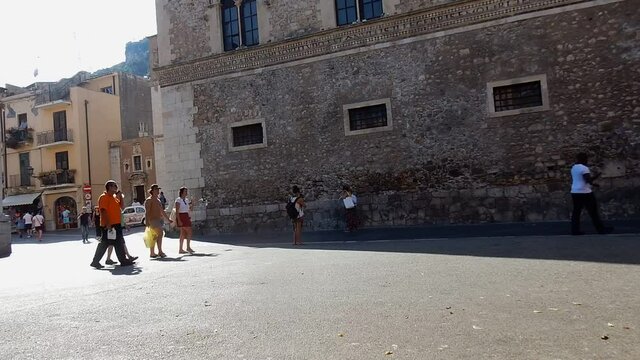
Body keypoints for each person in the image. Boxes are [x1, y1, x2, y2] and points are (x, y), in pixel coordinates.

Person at [90, 180, 136, 269]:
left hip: (117, 224)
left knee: (118, 243)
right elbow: (103, 211)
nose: (116, 187)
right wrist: (108, 224)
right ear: (109, 187)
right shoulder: (104, 197)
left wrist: (121, 196)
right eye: (114, 186)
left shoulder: (114, 197)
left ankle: (123, 260)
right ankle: (95, 261)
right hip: (109, 225)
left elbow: (122, 207)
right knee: (105, 243)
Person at [570, 153, 614, 235]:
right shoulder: (584, 168)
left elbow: (580, 179)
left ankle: (575, 230)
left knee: (576, 212)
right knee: (593, 212)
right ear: (584, 159)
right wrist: (597, 176)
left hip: (575, 191)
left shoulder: (573, 167)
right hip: (585, 192)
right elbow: (588, 180)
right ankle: (601, 229)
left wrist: (593, 184)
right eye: (586, 159)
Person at [145, 184, 172, 258]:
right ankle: (158, 251)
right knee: (158, 234)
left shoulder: (158, 200)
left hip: (159, 220)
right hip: (153, 220)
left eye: (158, 189)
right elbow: (147, 211)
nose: (158, 191)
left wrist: (168, 219)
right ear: (152, 191)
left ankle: (153, 252)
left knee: (157, 236)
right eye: (156, 189)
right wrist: (147, 221)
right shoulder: (149, 200)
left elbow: (162, 211)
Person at [175, 187, 194, 254]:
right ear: (182, 192)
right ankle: (187, 247)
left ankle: (181, 249)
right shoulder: (178, 200)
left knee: (183, 233)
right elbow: (177, 211)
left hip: (186, 215)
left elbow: (190, 209)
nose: (186, 192)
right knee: (189, 231)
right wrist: (179, 220)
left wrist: (192, 203)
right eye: (185, 191)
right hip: (181, 216)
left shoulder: (186, 200)